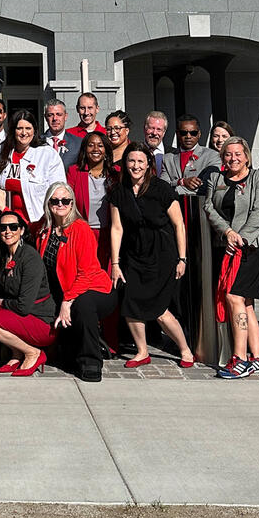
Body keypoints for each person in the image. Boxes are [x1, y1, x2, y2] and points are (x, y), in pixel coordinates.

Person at [109, 143, 195, 369]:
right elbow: (117, 228)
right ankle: (142, 351)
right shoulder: (118, 192)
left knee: (158, 309)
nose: (135, 166)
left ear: (148, 165)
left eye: (140, 161)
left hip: (162, 254)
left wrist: (182, 258)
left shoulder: (162, 189)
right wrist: (115, 263)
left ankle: (184, 349)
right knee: (131, 303)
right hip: (133, 254)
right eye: (131, 161)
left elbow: (179, 225)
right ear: (125, 163)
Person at [203, 137, 259, 379]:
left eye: (237, 154)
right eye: (227, 154)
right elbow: (209, 207)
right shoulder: (216, 179)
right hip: (227, 244)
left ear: (246, 155)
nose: (233, 158)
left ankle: (240, 359)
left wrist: (241, 238)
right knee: (246, 304)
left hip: (251, 247)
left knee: (234, 297)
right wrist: (228, 232)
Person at [35, 182, 115, 382]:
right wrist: (5, 209)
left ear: (72, 204)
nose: (60, 204)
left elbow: (86, 273)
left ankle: (92, 362)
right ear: (48, 203)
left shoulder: (80, 228)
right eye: (55, 201)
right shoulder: (45, 230)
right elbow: (20, 226)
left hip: (95, 289)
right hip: (66, 292)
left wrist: (67, 301)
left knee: (83, 304)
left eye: (65, 200)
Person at [160, 115, 221, 333]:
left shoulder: (212, 156)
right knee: (179, 279)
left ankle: (205, 327)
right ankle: (182, 327)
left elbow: (207, 186)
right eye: (183, 133)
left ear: (200, 134)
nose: (188, 136)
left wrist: (178, 188)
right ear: (177, 134)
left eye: (192, 133)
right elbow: (164, 188)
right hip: (176, 224)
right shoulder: (168, 158)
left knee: (204, 279)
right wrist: (182, 182)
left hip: (202, 224)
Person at [0, 210, 57, 376]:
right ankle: (17, 353)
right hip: (20, 316)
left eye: (13, 227)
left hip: (41, 322)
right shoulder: (3, 256)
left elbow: (24, 306)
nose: (8, 231)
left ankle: (32, 352)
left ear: (21, 230)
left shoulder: (30, 258)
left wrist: (0, 303)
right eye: (3, 227)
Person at [0, 110, 66, 224]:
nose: (24, 133)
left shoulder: (47, 154)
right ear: (13, 130)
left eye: (28, 128)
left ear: (34, 130)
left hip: (36, 222)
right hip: (4, 222)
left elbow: (59, 190)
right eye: (19, 128)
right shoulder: (0, 151)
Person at [66, 131, 117, 267]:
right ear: (85, 149)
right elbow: (68, 203)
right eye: (91, 145)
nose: (95, 149)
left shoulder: (116, 174)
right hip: (83, 233)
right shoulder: (74, 172)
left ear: (106, 150)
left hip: (109, 234)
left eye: (100, 145)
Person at [42, 98, 83, 169]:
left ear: (65, 116)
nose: (55, 118)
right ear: (45, 117)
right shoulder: (36, 143)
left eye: (59, 114)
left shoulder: (78, 143)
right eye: (50, 115)